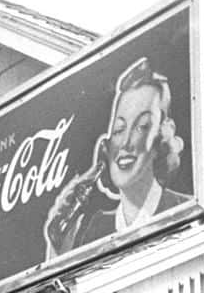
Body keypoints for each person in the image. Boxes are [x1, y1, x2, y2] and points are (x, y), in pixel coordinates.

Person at [44, 56, 188, 259]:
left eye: (142, 126)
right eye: (119, 129)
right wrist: (59, 249)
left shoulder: (183, 208)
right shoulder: (95, 229)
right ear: (106, 146)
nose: (126, 143)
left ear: (163, 135)